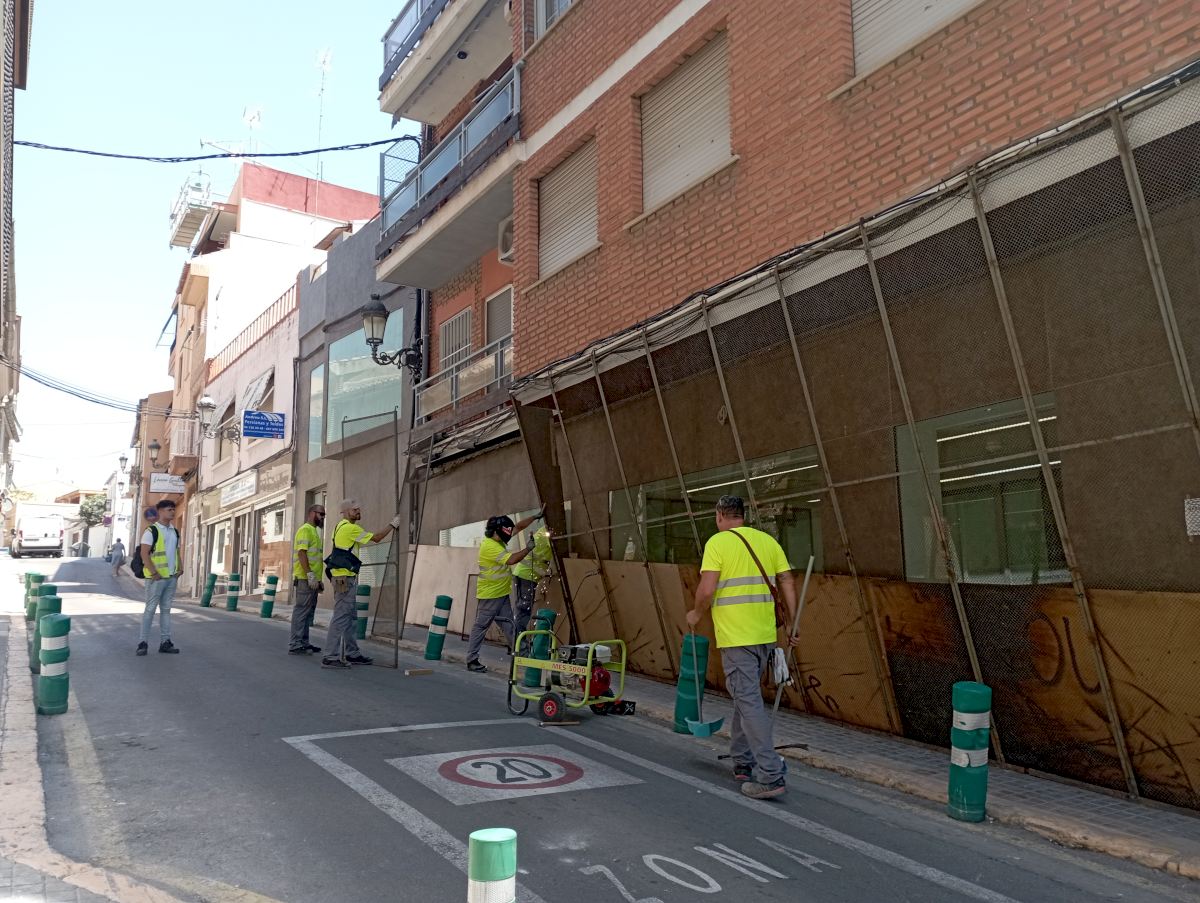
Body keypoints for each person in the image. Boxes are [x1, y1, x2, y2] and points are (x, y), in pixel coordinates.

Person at [687, 496, 801, 800]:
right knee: (744, 697)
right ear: (743, 515)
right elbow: (787, 581)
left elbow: (707, 589)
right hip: (765, 636)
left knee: (748, 701)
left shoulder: (718, 543)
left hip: (736, 638)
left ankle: (770, 774)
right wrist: (792, 622)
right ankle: (742, 761)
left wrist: (696, 614)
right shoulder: (767, 542)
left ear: (719, 515)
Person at [321, 499, 402, 670]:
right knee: (341, 616)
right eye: (354, 509)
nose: (358, 511)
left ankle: (352, 653)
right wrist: (392, 525)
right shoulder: (350, 528)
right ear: (345, 512)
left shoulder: (340, 526)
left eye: (358, 509)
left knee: (350, 617)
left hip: (343, 577)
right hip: (345, 578)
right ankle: (330, 656)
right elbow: (377, 538)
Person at [466, 512, 541, 673]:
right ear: (497, 531)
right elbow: (512, 560)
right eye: (506, 531)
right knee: (481, 626)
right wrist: (528, 549)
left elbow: (517, 527)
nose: (509, 534)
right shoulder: (490, 546)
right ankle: (472, 659)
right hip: (490, 595)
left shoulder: (497, 538)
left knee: (510, 626)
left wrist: (535, 517)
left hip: (501, 594)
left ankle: (524, 657)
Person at [137, 499, 182, 656]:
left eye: (173, 509)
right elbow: (144, 553)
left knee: (166, 610)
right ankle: (143, 643)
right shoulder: (151, 531)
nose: (173, 512)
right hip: (156, 578)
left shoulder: (174, 531)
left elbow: (176, 552)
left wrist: (180, 568)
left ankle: (165, 642)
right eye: (169, 509)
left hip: (171, 577)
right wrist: (154, 573)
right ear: (160, 511)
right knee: (150, 609)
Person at [289, 503, 326, 655]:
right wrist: (310, 575)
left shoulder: (314, 531)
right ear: (311, 513)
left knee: (307, 612)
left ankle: (303, 642)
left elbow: (315, 559)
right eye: (321, 514)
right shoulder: (305, 530)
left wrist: (318, 580)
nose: (323, 517)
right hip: (305, 579)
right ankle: (295, 643)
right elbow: (301, 553)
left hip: (311, 580)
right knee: (301, 611)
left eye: (324, 515)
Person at [511, 523, 552, 637]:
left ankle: (518, 641)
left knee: (523, 610)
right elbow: (558, 548)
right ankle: (519, 642)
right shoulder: (546, 534)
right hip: (526, 575)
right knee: (524, 610)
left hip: (526, 575)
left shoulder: (542, 531)